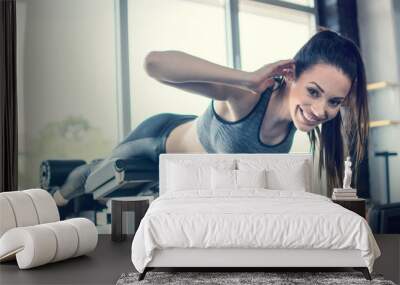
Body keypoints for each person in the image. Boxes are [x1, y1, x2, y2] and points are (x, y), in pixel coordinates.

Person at [52, 30, 369, 206]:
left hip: (181, 179)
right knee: (90, 179)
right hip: (158, 142)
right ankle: (57, 198)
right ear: (290, 74)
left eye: (334, 102)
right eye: (313, 92)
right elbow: (155, 64)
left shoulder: (293, 126)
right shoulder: (247, 96)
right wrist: (246, 78)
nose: (321, 110)